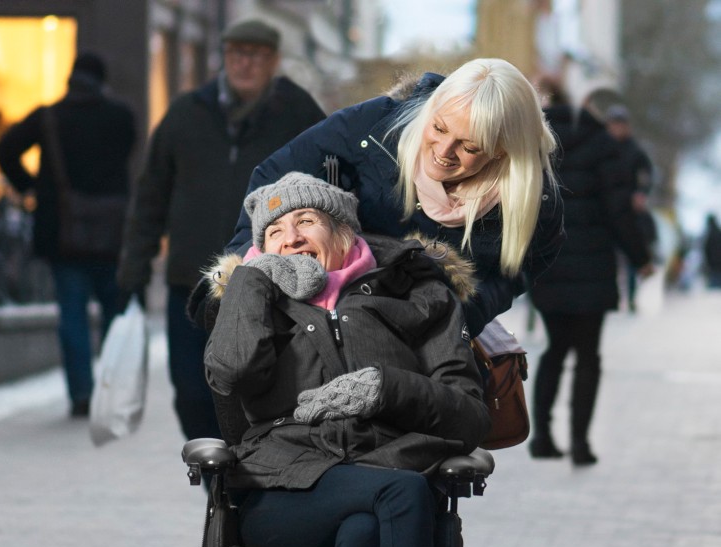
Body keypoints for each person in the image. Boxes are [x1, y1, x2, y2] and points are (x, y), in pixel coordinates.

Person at [203, 172, 490, 547]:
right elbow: (230, 373)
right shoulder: (256, 297)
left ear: (343, 232)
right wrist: (250, 280)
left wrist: (387, 389)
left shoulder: (419, 295)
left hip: (390, 469)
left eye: (305, 221)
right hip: (284, 490)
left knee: (365, 535)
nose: (291, 239)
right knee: (403, 492)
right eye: (275, 232)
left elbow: (469, 416)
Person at [222, 57, 564, 340]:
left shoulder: (537, 199)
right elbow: (271, 180)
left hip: (424, 345)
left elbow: (516, 270)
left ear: (503, 153)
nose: (444, 152)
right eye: (439, 128)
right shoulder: (373, 126)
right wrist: (242, 279)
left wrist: (458, 320)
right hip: (313, 320)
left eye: (470, 146)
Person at [117, 19, 325, 442]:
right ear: (224, 57)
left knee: (257, 392)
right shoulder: (186, 112)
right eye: (237, 54)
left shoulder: (298, 112)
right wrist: (133, 267)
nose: (245, 64)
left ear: (274, 61)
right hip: (191, 285)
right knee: (191, 394)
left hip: (267, 285)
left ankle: (248, 485)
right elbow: (152, 194)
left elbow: (329, 187)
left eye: (257, 55)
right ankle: (217, 482)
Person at [0, 52, 137, 417]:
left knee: (72, 314)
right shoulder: (121, 118)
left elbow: (5, 148)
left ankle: (80, 394)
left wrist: (30, 186)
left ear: (70, 78)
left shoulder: (49, 117)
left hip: (64, 234)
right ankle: (110, 392)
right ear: (101, 81)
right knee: (114, 314)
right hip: (111, 235)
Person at [528, 87, 653, 465]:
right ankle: (580, 444)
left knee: (554, 349)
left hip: (548, 265)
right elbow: (619, 211)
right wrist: (640, 258)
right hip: (593, 268)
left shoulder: (540, 142)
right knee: (587, 355)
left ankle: (542, 436)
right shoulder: (602, 145)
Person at [604, 104, 658, 311]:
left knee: (631, 249)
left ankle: (632, 296)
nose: (617, 129)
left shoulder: (634, 150)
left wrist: (642, 193)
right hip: (606, 206)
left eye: (620, 125)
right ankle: (613, 295)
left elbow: (647, 174)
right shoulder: (602, 147)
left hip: (627, 206)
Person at [704, 214, 721, 288]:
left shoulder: (709, 234)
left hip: (713, 266)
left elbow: (706, 250)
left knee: (714, 290)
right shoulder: (719, 232)